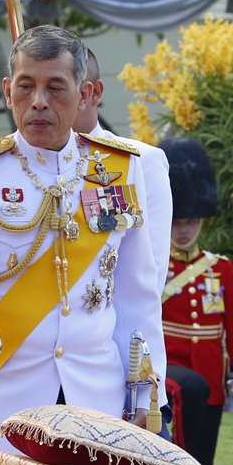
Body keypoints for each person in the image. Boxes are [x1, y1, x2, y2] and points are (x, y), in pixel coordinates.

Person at [0, 25, 166, 465]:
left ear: (84, 95)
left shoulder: (120, 168)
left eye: (55, 87)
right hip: (1, 396)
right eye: (26, 86)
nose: (39, 101)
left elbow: (138, 296)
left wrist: (145, 389)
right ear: (7, 92)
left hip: (97, 396)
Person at [159, 137, 233, 465]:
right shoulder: (154, 265)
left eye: (191, 222)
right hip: (172, 364)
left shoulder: (219, 267)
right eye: (179, 222)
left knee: (205, 456)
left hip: (211, 367)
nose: (184, 229)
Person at [77, 48, 172, 290]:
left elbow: (146, 280)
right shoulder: (8, 164)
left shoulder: (142, 162)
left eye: (56, 88)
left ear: (93, 93)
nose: (41, 101)